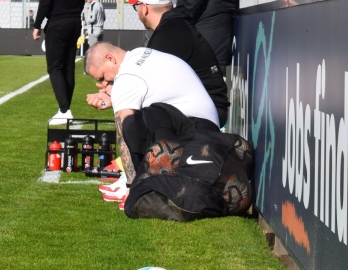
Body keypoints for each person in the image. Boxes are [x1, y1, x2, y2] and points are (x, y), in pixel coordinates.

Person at [84, 41, 253, 221]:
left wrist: (132, 185)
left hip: (192, 132)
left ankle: (147, 181)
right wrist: (114, 95)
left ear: (110, 59)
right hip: (206, 129)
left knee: (142, 118)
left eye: (102, 76)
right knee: (148, 115)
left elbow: (124, 131)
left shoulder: (126, 77)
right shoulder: (141, 54)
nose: (104, 83)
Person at [124, 0, 229, 126]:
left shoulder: (168, 34)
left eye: (137, 6)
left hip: (206, 112)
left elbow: (149, 82)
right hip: (211, 105)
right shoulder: (176, 24)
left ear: (145, 8)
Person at [33, 0, 84, 124]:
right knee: (68, 66)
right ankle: (65, 108)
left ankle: (64, 110)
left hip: (58, 23)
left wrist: (37, 25)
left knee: (54, 67)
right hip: (75, 22)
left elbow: (46, 0)